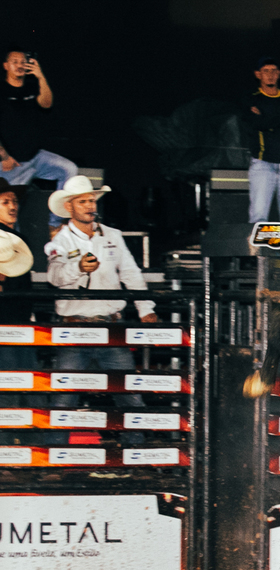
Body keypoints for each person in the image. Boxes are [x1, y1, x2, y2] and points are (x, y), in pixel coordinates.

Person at [44, 175, 156, 422]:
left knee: (130, 396)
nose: (89, 206)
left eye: (91, 200)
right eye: (82, 201)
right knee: (63, 399)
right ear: (69, 207)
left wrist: (145, 308)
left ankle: (136, 444)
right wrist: (78, 268)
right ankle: (54, 447)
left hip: (110, 326)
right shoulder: (60, 241)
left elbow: (131, 273)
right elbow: (54, 275)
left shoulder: (113, 236)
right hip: (75, 330)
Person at [0, 47, 78, 228]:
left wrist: (40, 75)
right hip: (12, 163)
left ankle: (55, 224)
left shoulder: (31, 86)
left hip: (36, 157)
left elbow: (47, 103)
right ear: (6, 65)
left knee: (69, 169)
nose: (19, 65)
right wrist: (3, 156)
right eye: (15, 62)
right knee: (10, 212)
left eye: (23, 61)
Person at [0, 178, 36, 444]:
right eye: (5, 202)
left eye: (14, 201)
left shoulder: (18, 238)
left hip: (21, 323)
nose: (13, 206)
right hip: (6, 326)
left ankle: (24, 446)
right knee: (12, 386)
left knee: (26, 384)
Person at [246, 57, 280, 224]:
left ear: (279, 74)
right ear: (258, 74)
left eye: (273, 71)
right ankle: (256, 243)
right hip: (263, 163)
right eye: (266, 71)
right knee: (259, 215)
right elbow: (257, 124)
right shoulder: (253, 98)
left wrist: (268, 119)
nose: (270, 75)